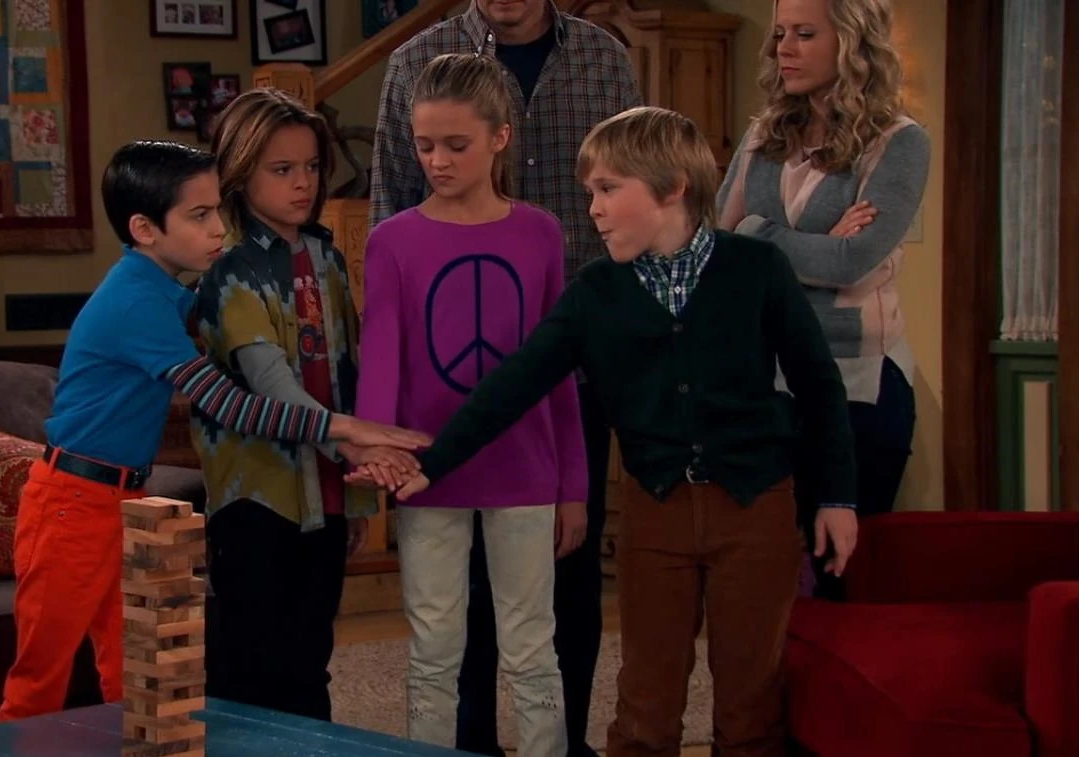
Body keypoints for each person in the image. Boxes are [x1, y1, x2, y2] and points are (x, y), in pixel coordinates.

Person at [350, 106, 860, 757]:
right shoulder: (595, 291)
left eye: (608, 189)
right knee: (645, 705)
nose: (592, 208)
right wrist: (432, 463)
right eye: (590, 191)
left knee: (750, 703)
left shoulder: (757, 269)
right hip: (655, 512)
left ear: (671, 187)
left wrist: (836, 497)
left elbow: (819, 387)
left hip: (755, 508)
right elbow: (515, 385)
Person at [0, 140, 429, 723]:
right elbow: (229, 405)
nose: (219, 228)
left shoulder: (164, 287)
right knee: (39, 681)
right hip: (71, 504)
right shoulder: (135, 302)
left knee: (135, 675)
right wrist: (344, 427)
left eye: (218, 210)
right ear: (145, 229)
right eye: (199, 216)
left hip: (124, 498)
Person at [371, 3, 642, 753]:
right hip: (431, 450)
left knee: (540, 630)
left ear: (497, 138)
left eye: (455, 144)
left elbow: (555, 370)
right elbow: (385, 344)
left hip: (535, 445)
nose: (437, 160)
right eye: (428, 145)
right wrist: (378, 445)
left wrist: (573, 484)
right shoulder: (394, 234)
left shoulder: (542, 229)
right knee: (438, 642)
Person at [188, 88, 429, 723]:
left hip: (326, 491)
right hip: (256, 496)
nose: (304, 183)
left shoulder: (326, 256)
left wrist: (355, 495)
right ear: (241, 172)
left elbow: (347, 372)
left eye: (313, 167)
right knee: (249, 665)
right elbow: (271, 383)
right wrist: (358, 444)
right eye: (282, 169)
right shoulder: (229, 267)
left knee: (310, 657)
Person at [716, 0, 930, 598]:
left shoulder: (899, 143)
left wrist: (760, 232)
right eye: (781, 33)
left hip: (857, 383)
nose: (782, 48)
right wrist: (812, 248)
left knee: (841, 581)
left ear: (853, 42)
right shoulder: (763, 136)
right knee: (763, 581)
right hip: (766, 380)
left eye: (805, 34)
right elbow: (718, 252)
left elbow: (850, 263)